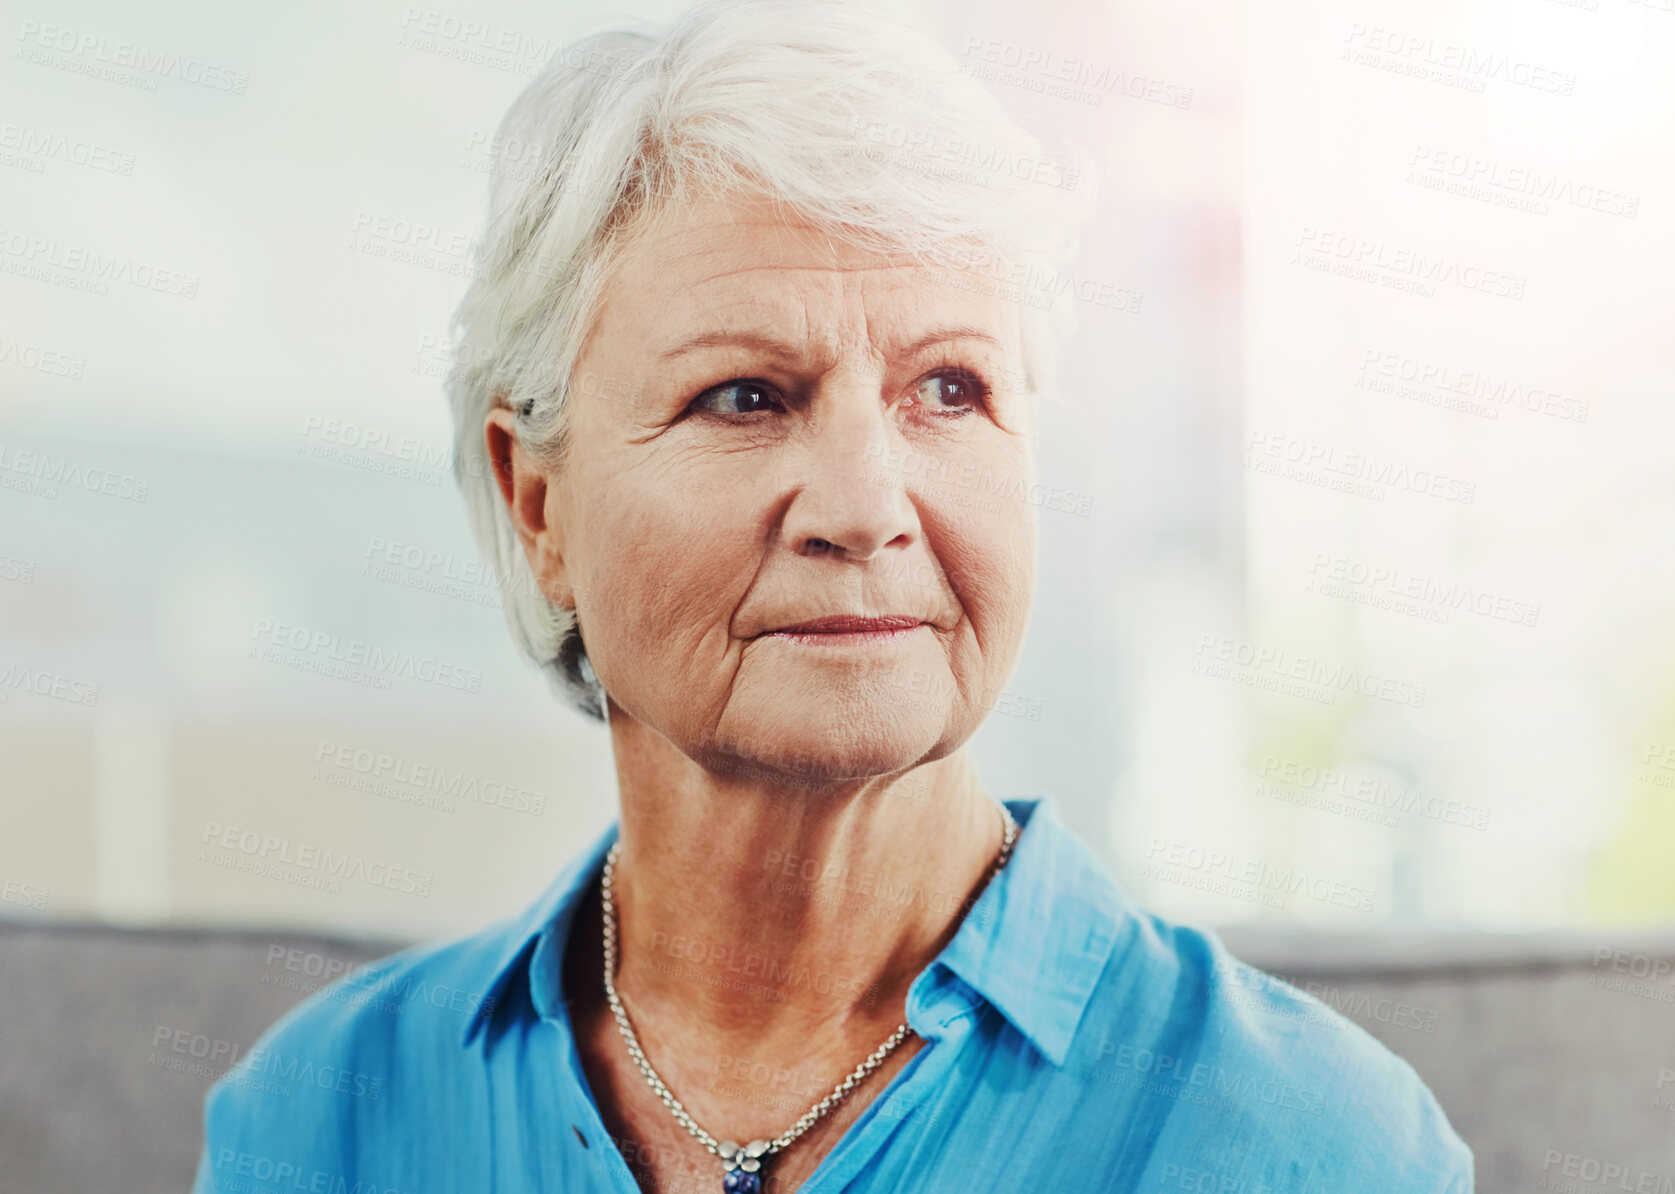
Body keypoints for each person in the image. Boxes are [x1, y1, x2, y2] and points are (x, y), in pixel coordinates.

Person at [193, 2, 1474, 1190]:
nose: (867, 504)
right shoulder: (322, 1125)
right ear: (539, 506)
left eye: (950, 390)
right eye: (745, 396)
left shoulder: (1311, 1143)